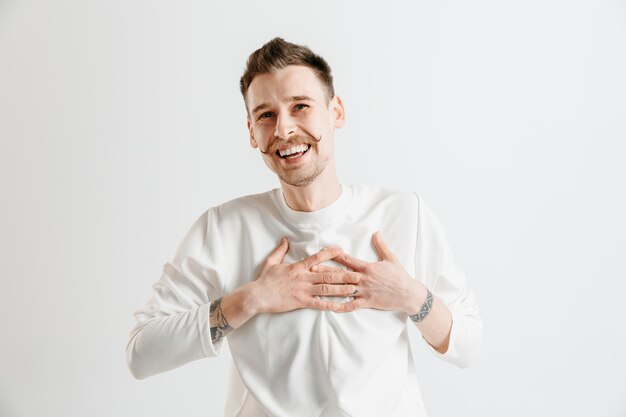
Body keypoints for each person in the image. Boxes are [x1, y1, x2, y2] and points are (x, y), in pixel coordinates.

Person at [126, 37, 482, 417]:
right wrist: (251, 300)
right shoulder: (224, 228)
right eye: (265, 115)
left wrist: (410, 295)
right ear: (251, 132)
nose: (283, 129)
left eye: (300, 107)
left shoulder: (403, 214)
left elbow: (468, 345)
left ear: (336, 112)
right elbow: (141, 353)